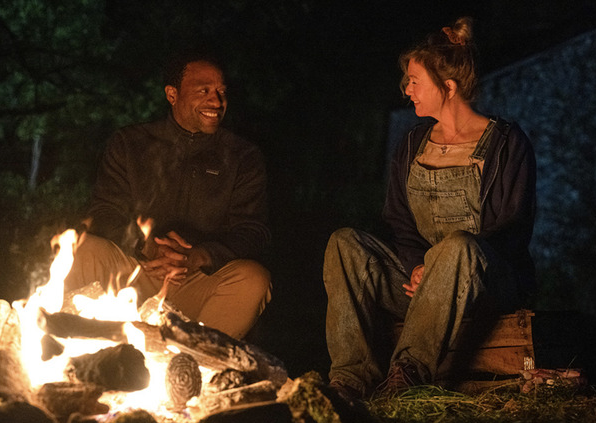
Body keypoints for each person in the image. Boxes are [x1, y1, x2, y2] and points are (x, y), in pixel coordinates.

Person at [323, 17, 536, 399]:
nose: (407, 90)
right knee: (344, 244)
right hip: (420, 283)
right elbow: (399, 224)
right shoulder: (411, 146)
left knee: (458, 245)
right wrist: (419, 266)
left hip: (486, 285)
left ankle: (408, 375)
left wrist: (445, 266)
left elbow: (513, 228)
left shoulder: (506, 144)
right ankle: (350, 380)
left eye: (415, 81)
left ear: (448, 87)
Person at [64, 52, 272, 340]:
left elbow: (253, 231)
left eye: (221, 92)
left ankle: (196, 365)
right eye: (204, 91)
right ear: (172, 94)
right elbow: (105, 212)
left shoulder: (242, 156)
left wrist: (200, 255)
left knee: (254, 279)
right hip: (135, 270)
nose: (217, 101)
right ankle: (83, 349)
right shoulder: (130, 143)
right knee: (81, 249)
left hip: (198, 279)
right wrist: (146, 246)